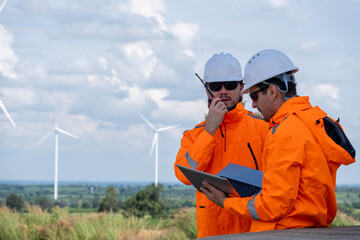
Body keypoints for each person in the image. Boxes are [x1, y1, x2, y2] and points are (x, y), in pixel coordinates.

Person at [200, 49, 356, 232]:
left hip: (281, 230)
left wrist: (225, 202)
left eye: (255, 96)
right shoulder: (313, 121)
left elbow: (271, 206)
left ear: (273, 91)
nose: (253, 104)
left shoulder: (285, 132)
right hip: (310, 228)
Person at [174, 52, 269, 238]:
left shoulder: (264, 129)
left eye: (231, 85)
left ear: (242, 88)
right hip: (211, 231)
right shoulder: (194, 135)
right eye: (216, 86)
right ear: (207, 89)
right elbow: (183, 175)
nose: (223, 91)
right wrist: (209, 131)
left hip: (252, 231)